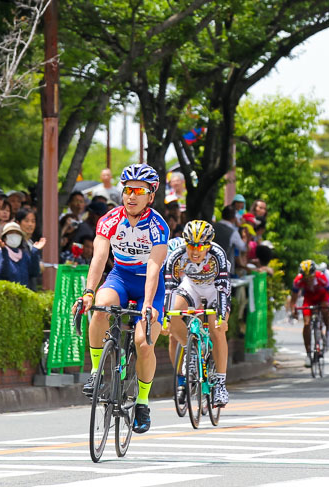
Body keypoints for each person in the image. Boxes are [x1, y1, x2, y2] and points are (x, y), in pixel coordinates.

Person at [73, 163, 168, 434]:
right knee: (101, 307)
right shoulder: (110, 220)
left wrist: (148, 304)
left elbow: (153, 267)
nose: (132, 196)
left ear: (151, 195)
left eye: (139, 190)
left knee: (143, 342)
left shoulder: (158, 225)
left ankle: (142, 401)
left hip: (148, 285)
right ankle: (95, 373)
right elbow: (100, 257)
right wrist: (89, 292)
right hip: (121, 277)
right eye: (128, 190)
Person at [164, 220, 231, 406]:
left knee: (217, 329)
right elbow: (169, 289)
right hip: (191, 285)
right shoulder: (176, 255)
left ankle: (220, 384)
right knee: (172, 314)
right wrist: (165, 318)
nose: (195, 251)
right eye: (191, 245)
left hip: (214, 289)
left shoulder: (217, 254)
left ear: (208, 245)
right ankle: (191, 351)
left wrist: (220, 318)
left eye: (200, 246)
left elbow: (223, 289)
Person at [289, 260, 329, 367]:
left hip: (322, 296)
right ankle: (308, 354)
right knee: (306, 324)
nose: (308, 280)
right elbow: (293, 300)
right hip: (309, 298)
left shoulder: (321, 277)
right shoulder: (298, 280)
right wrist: (293, 311)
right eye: (305, 278)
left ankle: (328, 331)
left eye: (310, 277)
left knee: (325, 311)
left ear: (314, 273)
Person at [14, 207, 45, 291]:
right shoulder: (16, 244)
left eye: (33, 221)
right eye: (26, 221)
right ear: (18, 223)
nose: (30, 224)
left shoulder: (31, 242)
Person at [213, 205, 246, 276]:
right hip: (224, 270)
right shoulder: (233, 232)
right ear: (234, 218)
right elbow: (243, 247)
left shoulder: (212, 227)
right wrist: (245, 234)